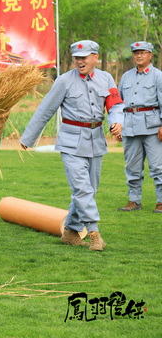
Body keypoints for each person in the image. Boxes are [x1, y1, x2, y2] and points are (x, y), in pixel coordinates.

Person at [20, 40, 124, 251]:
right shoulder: (64, 81)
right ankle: (94, 233)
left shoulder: (106, 78)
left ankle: (71, 231)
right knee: (82, 189)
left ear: (95, 57)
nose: (80, 61)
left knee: (90, 190)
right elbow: (45, 110)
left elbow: (115, 104)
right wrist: (28, 138)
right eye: (77, 58)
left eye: (84, 57)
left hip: (96, 141)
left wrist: (117, 121)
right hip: (71, 142)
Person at [117, 41, 162, 213]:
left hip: (152, 126)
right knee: (132, 166)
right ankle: (134, 200)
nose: (139, 55)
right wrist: (118, 123)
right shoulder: (126, 76)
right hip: (130, 126)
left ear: (150, 55)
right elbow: (119, 103)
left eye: (143, 52)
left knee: (158, 167)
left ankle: (161, 201)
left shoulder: (158, 76)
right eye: (136, 53)